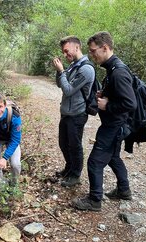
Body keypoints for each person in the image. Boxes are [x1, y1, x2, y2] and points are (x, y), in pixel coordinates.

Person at [71, 31, 137, 211]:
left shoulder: (118, 72)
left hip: (114, 126)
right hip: (116, 125)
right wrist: (105, 95)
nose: (91, 55)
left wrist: (108, 106)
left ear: (105, 48)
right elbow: (120, 95)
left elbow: (130, 103)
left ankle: (94, 200)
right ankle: (124, 190)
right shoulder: (113, 68)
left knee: (94, 162)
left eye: (93, 51)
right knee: (113, 157)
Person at [52, 36, 95, 187]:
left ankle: (75, 175)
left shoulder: (86, 69)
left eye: (66, 51)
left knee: (74, 145)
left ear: (76, 47)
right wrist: (59, 72)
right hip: (66, 113)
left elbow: (68, 90)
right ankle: (69, 168)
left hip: (77, 114)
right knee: (63, 144)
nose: (65, 55)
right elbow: (60, 84)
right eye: (63, 52)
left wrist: (62, 71)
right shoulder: (73, 65)